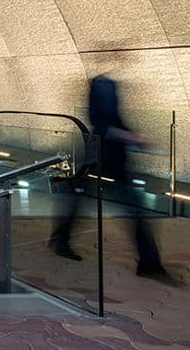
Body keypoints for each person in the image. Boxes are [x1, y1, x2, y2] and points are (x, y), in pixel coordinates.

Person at [50, 74, 180, 285]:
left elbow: (114, 121)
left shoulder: (108, 84)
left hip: (111, 156)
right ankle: (148, 263)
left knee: (92, 201)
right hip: (103, 155)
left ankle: (148, 262)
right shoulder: (101, 84)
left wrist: (135, 139)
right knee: (124, 207)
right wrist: (133, 138)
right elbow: (100, 125)